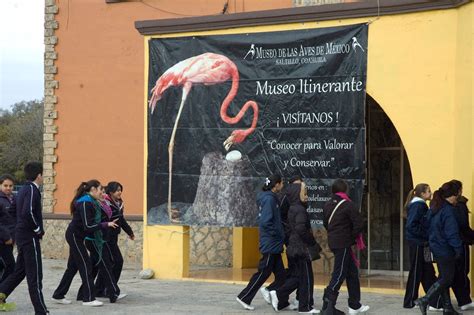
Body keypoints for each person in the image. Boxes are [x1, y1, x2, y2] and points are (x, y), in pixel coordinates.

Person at [52, 180, 120, 307]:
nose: (102, 192)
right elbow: (88, 225)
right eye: (100, 190)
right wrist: (106, 224)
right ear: (93, 189)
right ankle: (88, 298)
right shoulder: (85, 202)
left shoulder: (92, 202)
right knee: (86, 265)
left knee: (72, 267)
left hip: (78, 236)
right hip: (74, 236)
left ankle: (58, 294)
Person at [0, 162, 49, 315]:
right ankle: (40, 311)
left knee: (19, 271)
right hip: (29, 237)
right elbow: (28, 212)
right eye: (43, 175)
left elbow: (13, 212)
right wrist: (37, 229)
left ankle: (1, 292)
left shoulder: (22, 191)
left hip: (22, 236)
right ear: (39, 175)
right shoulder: (33, 190)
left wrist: (17, 228)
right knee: (35, 275)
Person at [236, 174, 286, 310]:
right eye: (282, 183)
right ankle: (244, 296)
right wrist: (277, 234)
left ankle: (280, 300)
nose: (283, 186)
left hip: (274, 244)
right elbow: (265, 222)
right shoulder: (270, 200)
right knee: (263, 272)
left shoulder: (268, 198)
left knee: (282, 276)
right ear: (276, 185)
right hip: (271, 243)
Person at [270, 181, 320, 314]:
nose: (307, 196)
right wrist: (312, 241)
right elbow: (300, 228)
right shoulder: (300, 209)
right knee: (306, 278)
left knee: (301, 277)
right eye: (305, 193)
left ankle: (303, 305)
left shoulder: (293, 208)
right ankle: (285, 296)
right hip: (301, 248)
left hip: (295, 246)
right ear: (298, 194)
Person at [415, 181, 463, 315]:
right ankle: (425, 299)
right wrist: (458, 249)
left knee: (444, 277)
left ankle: (447, 307)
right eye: (459, 193)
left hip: (436, 247)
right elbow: (451, 233)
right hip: (445, 249)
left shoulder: (435, 207)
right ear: (453, 195)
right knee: (446, 279)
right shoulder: (448, 211)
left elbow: (427, 225)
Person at [321, 179, 369, 315]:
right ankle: (328, 305)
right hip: (343, 243)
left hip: (334, 242)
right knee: (340, 273)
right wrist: (351, 237)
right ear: (345, 190)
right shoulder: (348, 205)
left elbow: (326, 224)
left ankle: (355, 304)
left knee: (352, 273)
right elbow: (359, 223)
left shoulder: (327, 204)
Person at [403, 183, 442, 310]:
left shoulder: (418, 205)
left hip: (421, 244)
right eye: (428, 191)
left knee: (427, 272)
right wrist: (426, 235)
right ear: (422, 194)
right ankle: (410, 301)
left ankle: (434, 301)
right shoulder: (418, 205)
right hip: (419, 244)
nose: (430, 193)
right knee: (418, 271)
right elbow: (411, 225)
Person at [95, 182, 134, 297]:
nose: (120, 192)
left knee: (109, 263)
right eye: (117, 190)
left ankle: (100, 289)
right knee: (116, 262)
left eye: (120, 190)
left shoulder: (119, 203)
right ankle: (110, 289)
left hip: (113, 237)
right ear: (111, 192)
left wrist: (129, 232)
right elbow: (100, 221)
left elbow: (121, 220)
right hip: (105, 237)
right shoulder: (104, 203)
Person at [450, 180, 474, 311]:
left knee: (454, 274)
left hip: (453, 244)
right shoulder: (459, 205)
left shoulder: (445, 205)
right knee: (462, 272)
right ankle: (464, 300)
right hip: (460, 243)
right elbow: (463, 226)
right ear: (459, 191)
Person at [0, 175, 17, 283]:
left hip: (11, 239)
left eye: (10, 186)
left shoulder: (14, 198)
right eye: (5, 185)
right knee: (10, 266)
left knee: (3, 267)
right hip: (2, 240)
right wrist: (6, 237)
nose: (8, 188)